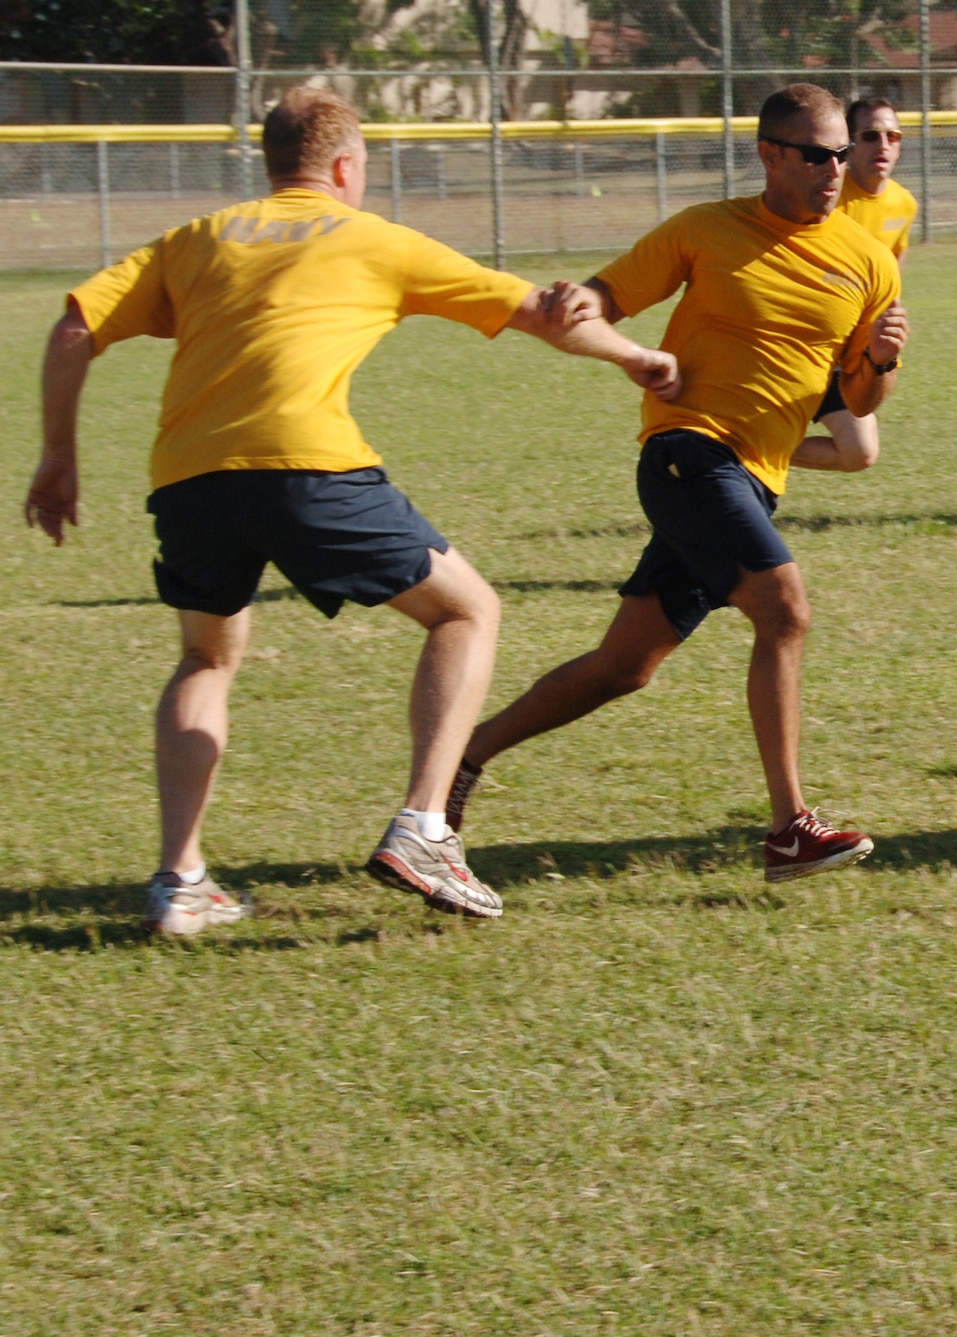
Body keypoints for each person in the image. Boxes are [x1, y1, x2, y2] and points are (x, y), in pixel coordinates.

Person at [22, 88, 679, 935]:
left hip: (188, 477)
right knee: (467, 611)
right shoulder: (371, 237)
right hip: (307, 465)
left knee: (206, 659)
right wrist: (637, 356)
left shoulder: (198, 239)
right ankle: (425, 826)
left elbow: (76, 326)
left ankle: (181, 881)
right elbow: (539, 315)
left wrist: (58, 458)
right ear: (344, 166)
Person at [446, 83, 908, 884]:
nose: (835, 169)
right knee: (785, 608)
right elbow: (609, 294)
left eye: (841, 153)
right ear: (769, 154)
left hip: (756, 480)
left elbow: (861, 401)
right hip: (687, 456)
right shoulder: (705, 228)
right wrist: (578, 306)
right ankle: (791, 828)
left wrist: (881, 362)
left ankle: (459, 756)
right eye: (816, 154)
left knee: (624, 665)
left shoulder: (868, 262)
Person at [795, 96, 919, 476]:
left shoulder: (903, 203)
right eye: (869, 136)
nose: (883, 145)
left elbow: (890, 280)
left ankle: (739, 445)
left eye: (892, 135)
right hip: (804, 345)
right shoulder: (823, 197)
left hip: (850, 353)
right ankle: (735, 445)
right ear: (848, 143)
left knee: (860, 453)